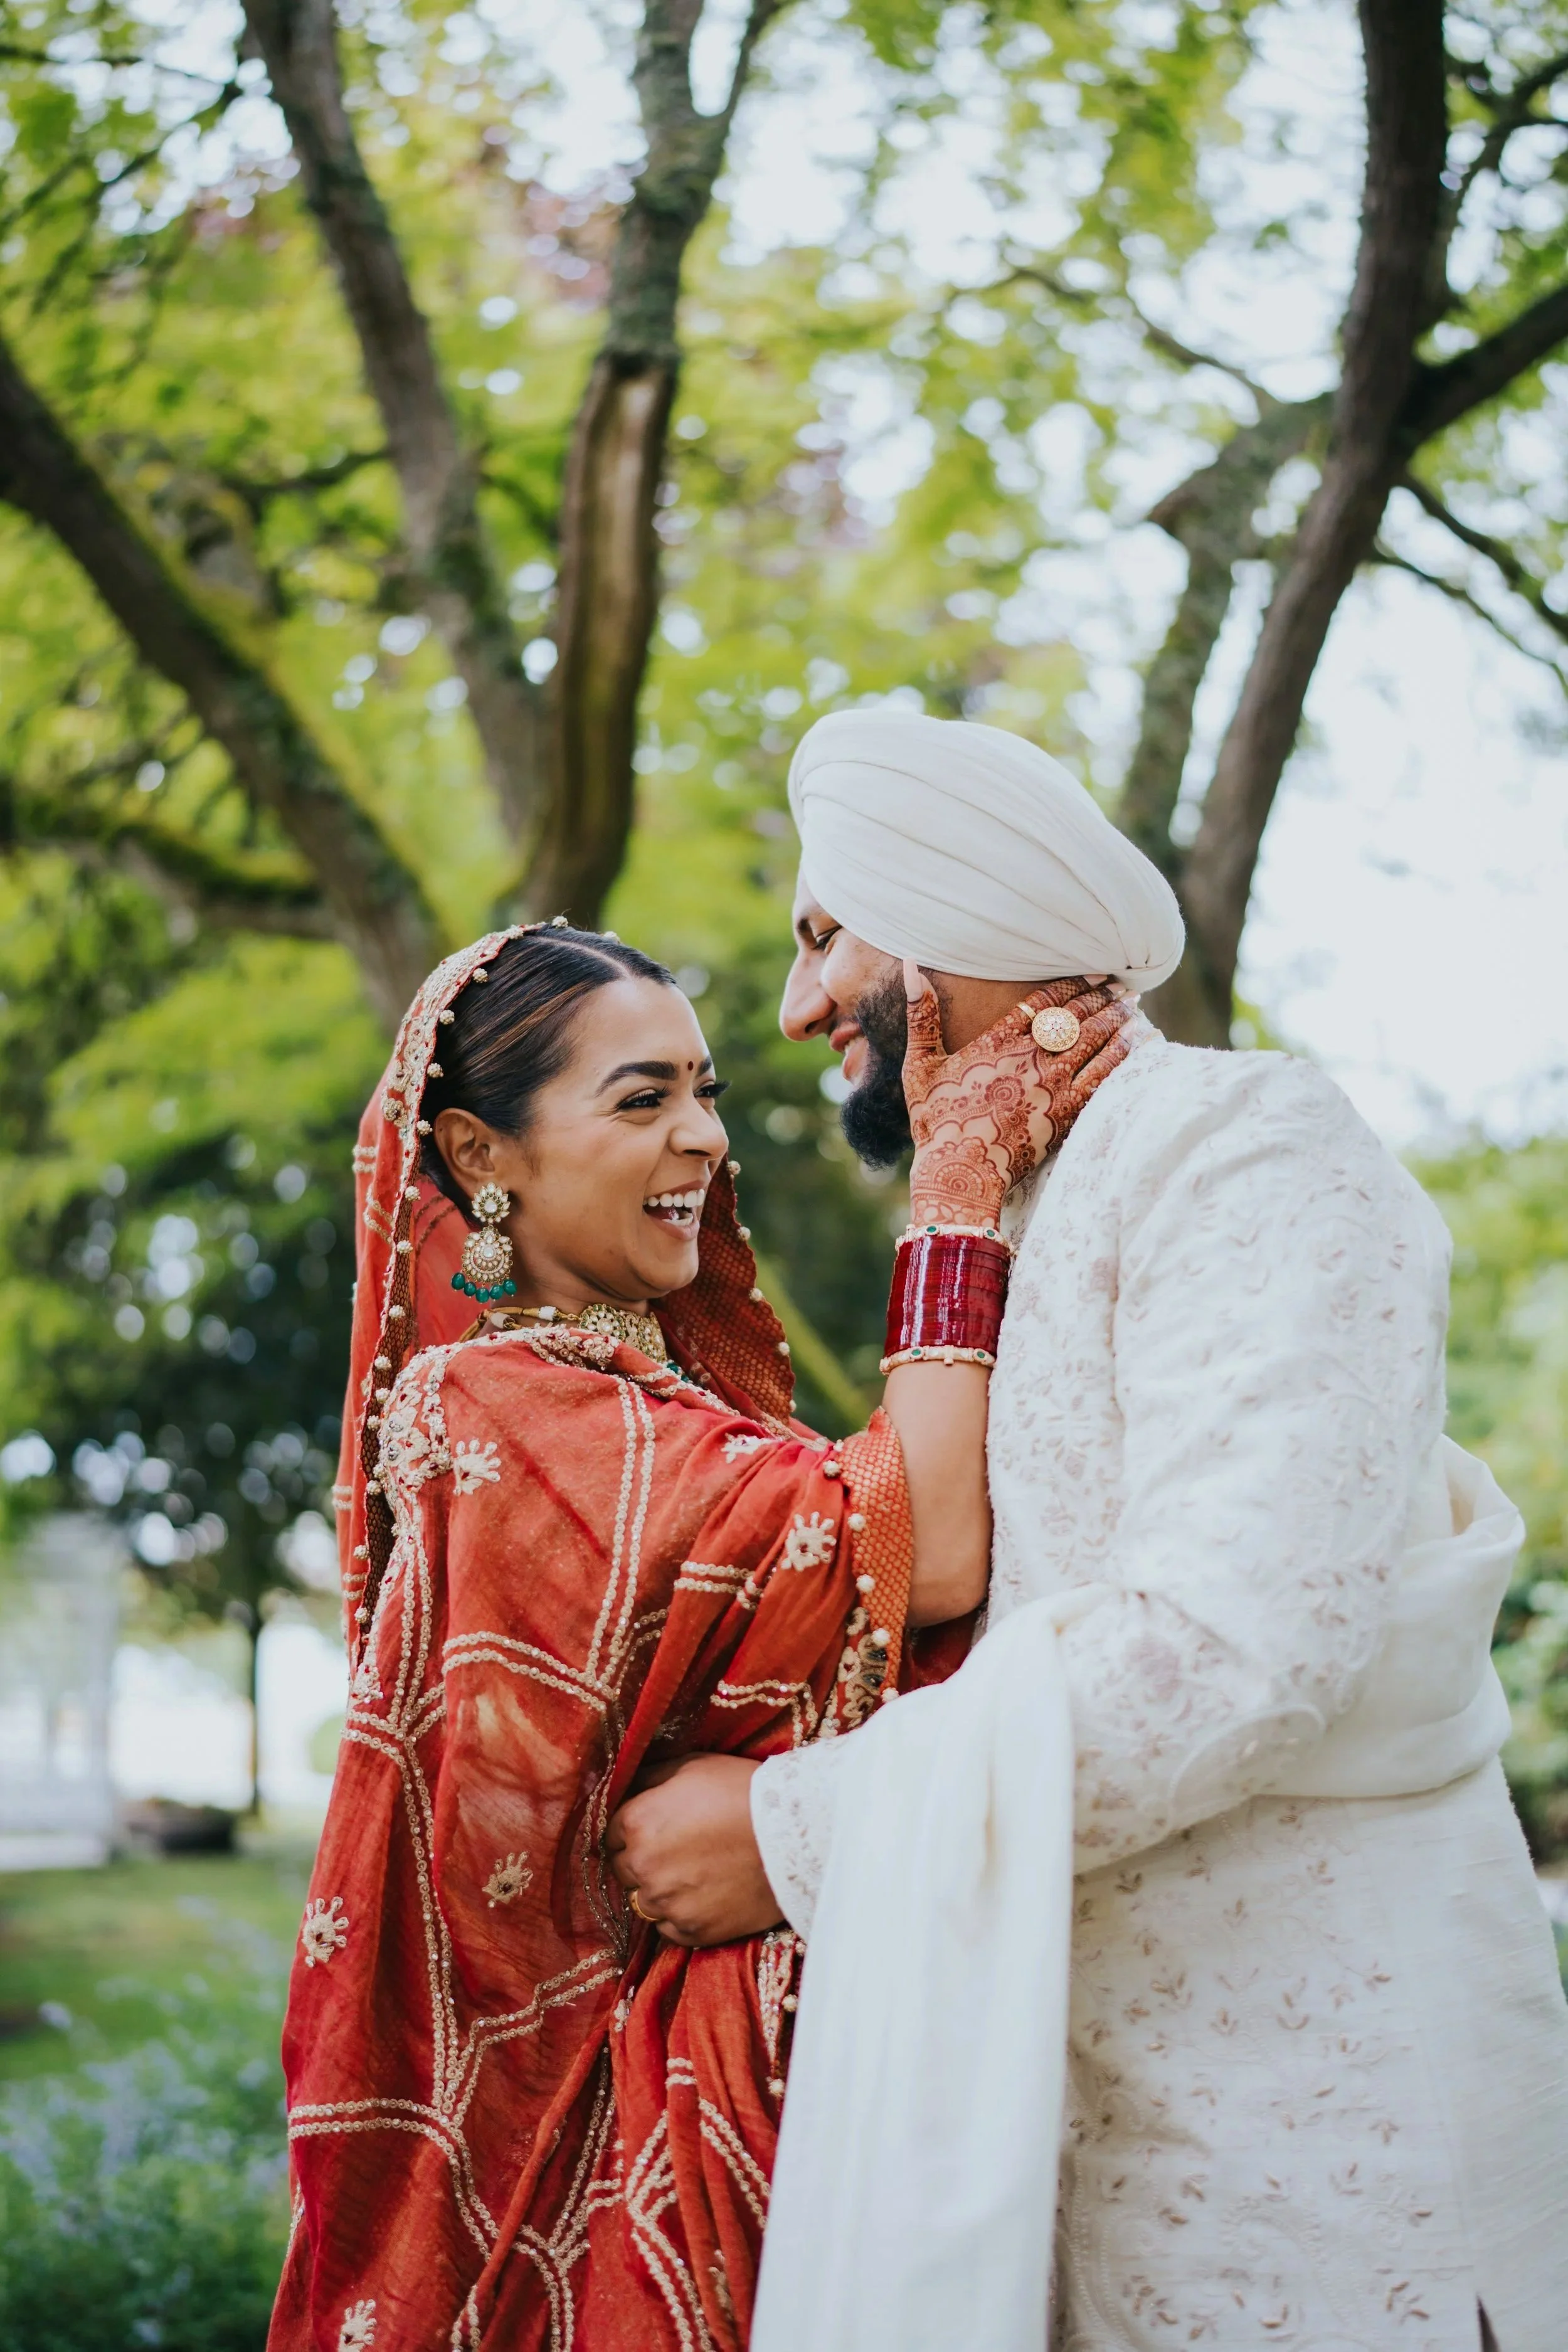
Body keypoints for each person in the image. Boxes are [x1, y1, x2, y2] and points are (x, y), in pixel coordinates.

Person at [609, 709, 1568, 2352]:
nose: (793, 1004)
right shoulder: (989, 1208)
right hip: (1065, 2168)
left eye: (825, 934)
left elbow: (1228, 1649)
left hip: (1332, 2174)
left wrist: (789, 1834)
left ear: (960, 913)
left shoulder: (1248, 1146)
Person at [267, 918, 1135, 2352]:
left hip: (786, 2077)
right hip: (619, 2155)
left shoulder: (660, 1411)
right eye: (640, 1100)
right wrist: (957, 1188)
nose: (703, 1141)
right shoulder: (495, 1411)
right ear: (483, 1158)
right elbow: (920, 1549)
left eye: (706, 1091)